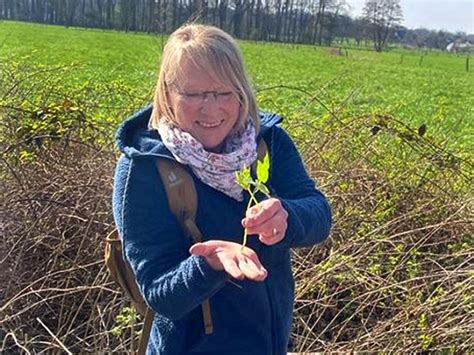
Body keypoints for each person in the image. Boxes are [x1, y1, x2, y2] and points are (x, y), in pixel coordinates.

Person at [112, 23, 332, 355]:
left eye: (224, 92)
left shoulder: (267, 142)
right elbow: (158, 293)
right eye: (194, 94)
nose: (211, 109)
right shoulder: (143, 170)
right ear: (167, 93)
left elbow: (319, 213)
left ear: (242, 91)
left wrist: (288, 217)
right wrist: (208, 265)